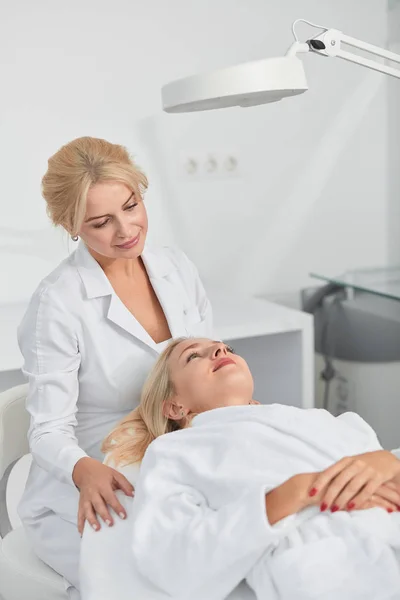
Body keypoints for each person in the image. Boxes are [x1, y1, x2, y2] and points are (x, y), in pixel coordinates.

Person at [17, 137, 213, 599]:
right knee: (160, 580)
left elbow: (208, 368)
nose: (126, 229)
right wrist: (84, 470)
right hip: (99, 480)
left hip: (178, 464)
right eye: (101, 222)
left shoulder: (175, 267)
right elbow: (47, 431)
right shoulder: (58, 303)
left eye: (132, 205)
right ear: (71, 225)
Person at [80, 337, 400, 600]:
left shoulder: (322, 420)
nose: (219, 350)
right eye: (193, 357)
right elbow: (173, 557)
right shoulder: (175, 452)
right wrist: (294, 492)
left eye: (226, 349)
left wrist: (390, 462)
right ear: (175, 406)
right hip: (331, 567)